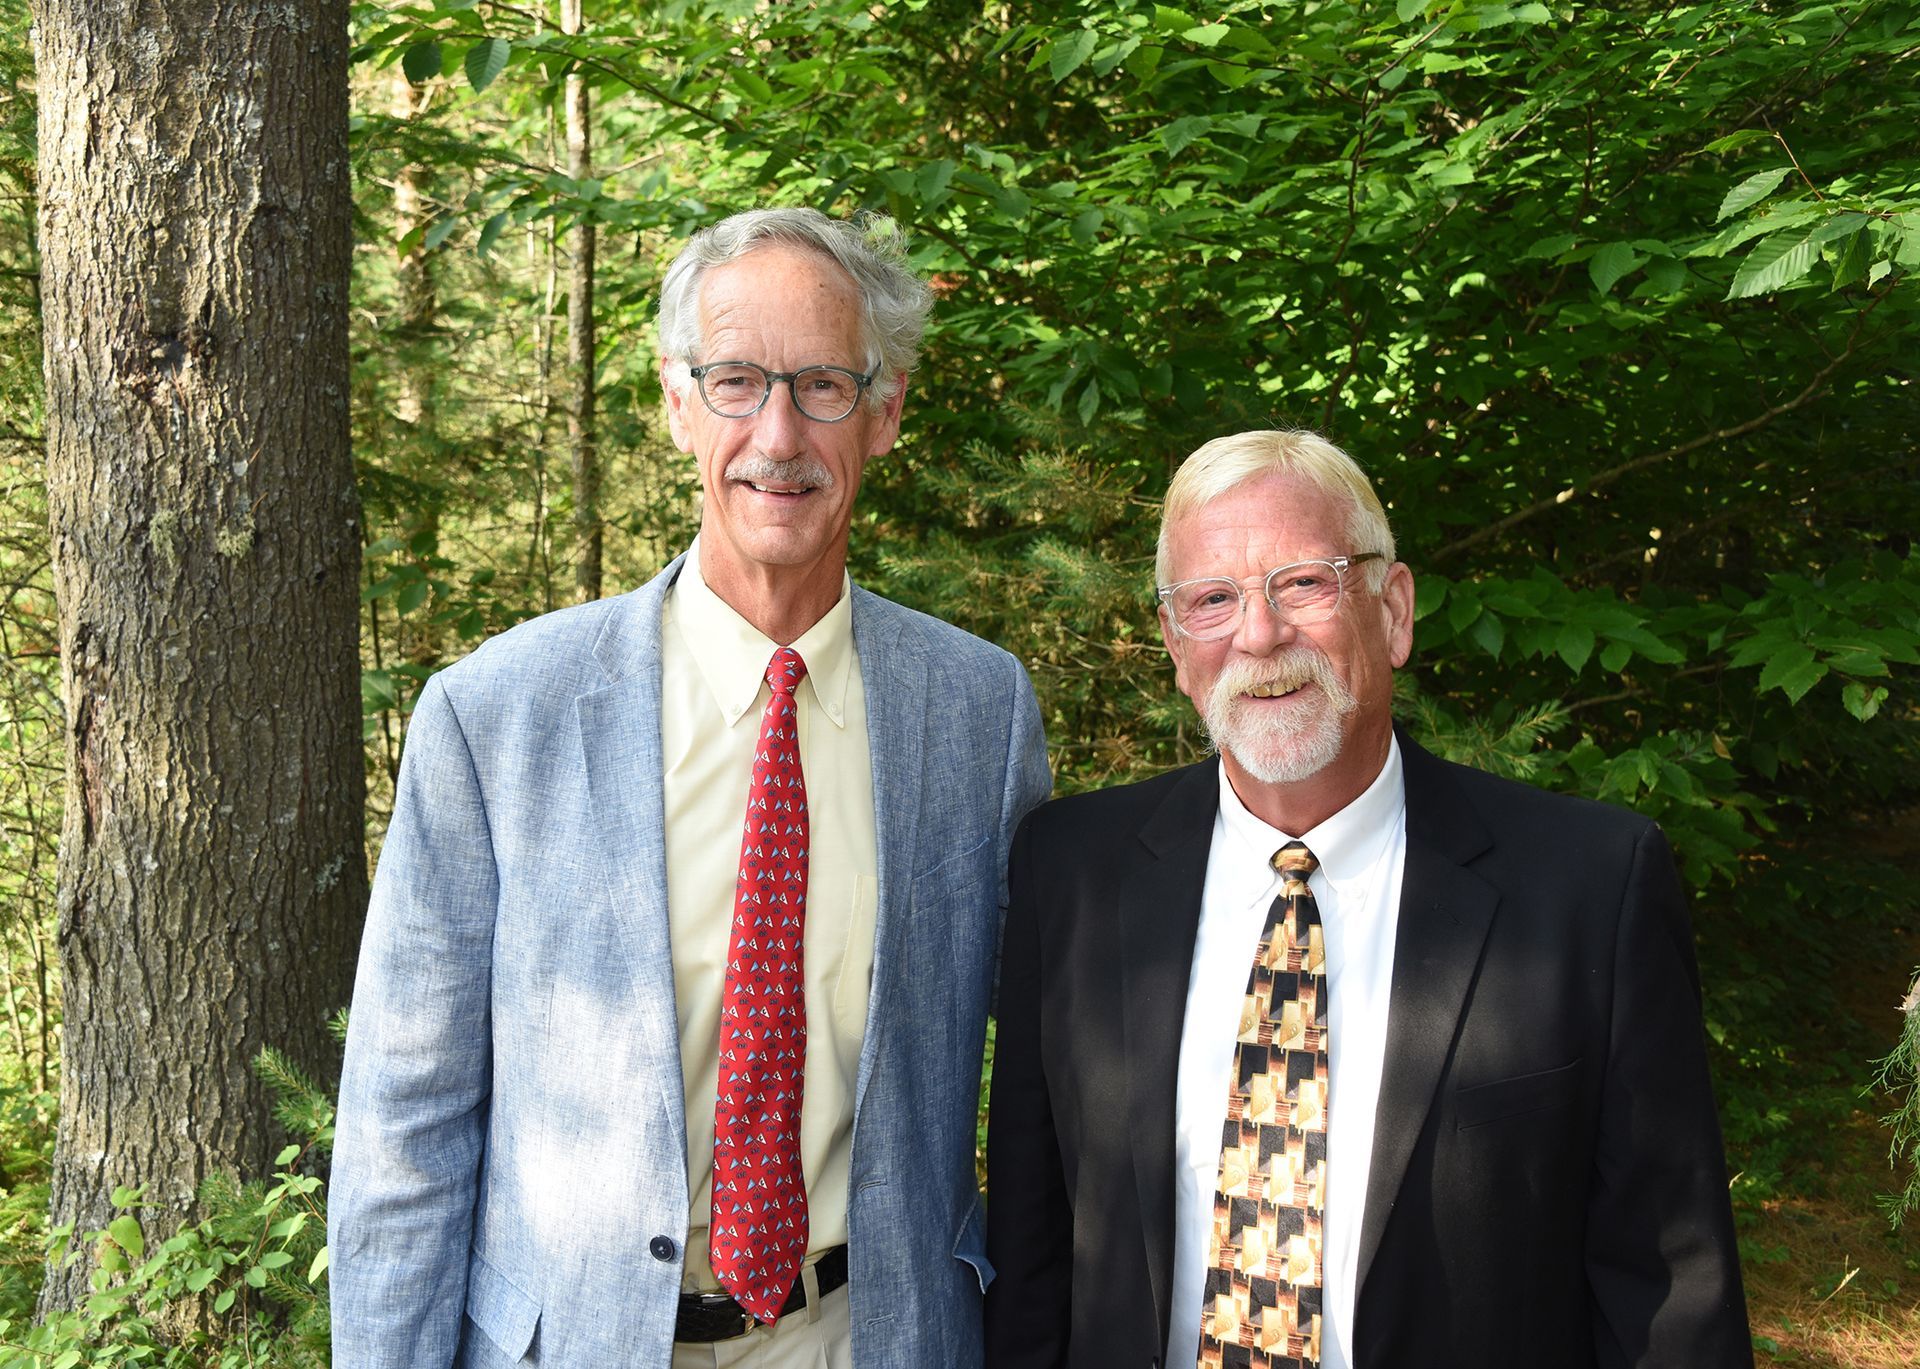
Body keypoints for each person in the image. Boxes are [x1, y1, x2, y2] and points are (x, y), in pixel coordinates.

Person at [331, 208, 1050, 1369]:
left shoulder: (978, 714)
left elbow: (1053, 1085)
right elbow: (402, 1131)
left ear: (886, 410)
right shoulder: (496, 716)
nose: (778, 434)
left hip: (870, 1335)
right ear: (675, 402)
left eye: (823, 383)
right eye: (734, 381)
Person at [982, 430, 1751, 1369]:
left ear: (1392, 610)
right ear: (1177, 646)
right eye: (1213, 599)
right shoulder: (1072, 872)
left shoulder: (1590, 884)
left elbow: (1669, 1286)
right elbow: (1032, 1254)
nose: (1258, 634)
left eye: (1303, 582)